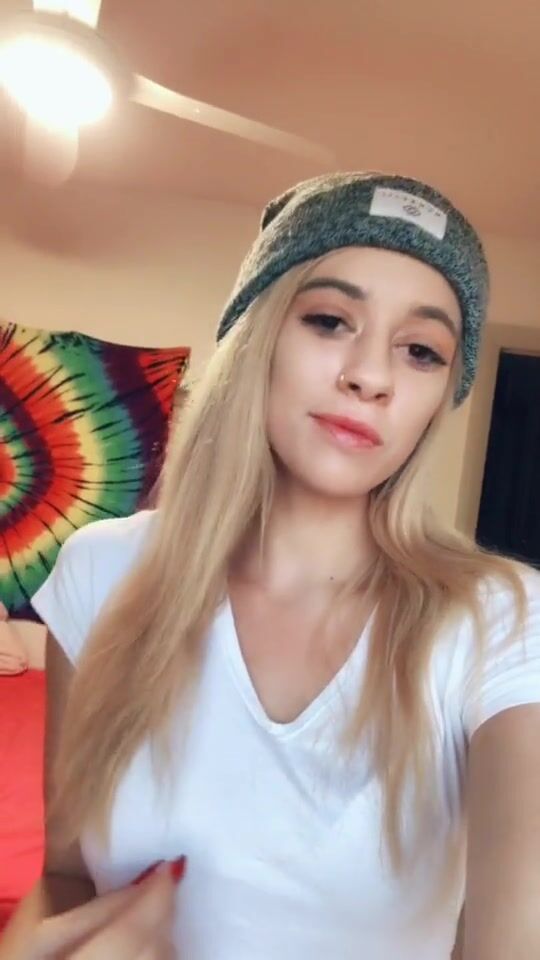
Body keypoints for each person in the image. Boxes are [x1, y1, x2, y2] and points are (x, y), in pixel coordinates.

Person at [2, 172, 539, 960]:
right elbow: (65, 873)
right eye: (329, 320)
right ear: (254, 336)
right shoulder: (102, 572)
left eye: (421, 351)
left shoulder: (504, 619)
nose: (371, 376)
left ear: (439, 397)